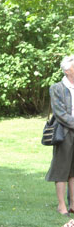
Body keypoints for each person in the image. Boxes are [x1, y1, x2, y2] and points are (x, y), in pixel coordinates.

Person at [46, 55, 74, 216]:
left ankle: (73, 205)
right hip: (63, 133)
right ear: (67, 70)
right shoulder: (56, 88)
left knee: (73, 171)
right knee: (61, 170)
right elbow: (60, 113)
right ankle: (61, 205)